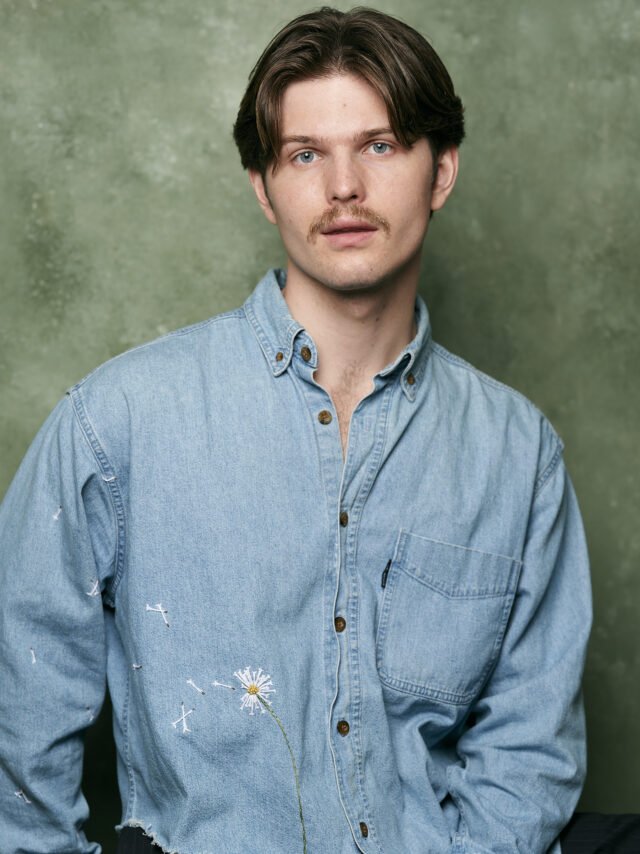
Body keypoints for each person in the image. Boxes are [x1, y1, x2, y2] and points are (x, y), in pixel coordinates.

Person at [0, 7, 592, 854]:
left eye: (380, 146)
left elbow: (527, 756)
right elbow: (19, 727)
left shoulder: (517, 454)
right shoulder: (116, 424)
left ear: (443, 170)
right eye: (305, 154)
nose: (343, 188)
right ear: (262, 184)